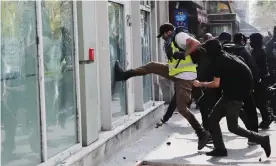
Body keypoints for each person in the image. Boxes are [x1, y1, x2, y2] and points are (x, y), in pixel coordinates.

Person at [115, 23, 210, 150]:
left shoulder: (179, 36)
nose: (163, 38)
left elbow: (196, 43)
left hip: (185, 76)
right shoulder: (171, 40)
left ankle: (202, 133)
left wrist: (184, 54)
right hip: (175, 72)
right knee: (152, 66)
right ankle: (124, 75)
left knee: (182, 108)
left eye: (163, 35)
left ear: (168, 32)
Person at [193, 39, 271, 157]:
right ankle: (220, 149)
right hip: (231, 92)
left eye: (206, 50)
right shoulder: (225, 55)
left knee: (233, 127)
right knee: (212, 119)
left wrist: (200, 84)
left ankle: (262, 140)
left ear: (210, 51)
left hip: (235, 95)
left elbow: (215, 84)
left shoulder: (218, 62)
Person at [223, 33, 260, 139]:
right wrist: (256, 81)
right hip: (244, 84)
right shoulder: (244, 51)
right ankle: (253, 135)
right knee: (251, 110)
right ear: (243, 40)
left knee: (235, 109)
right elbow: (253, 67)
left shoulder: (225, 50)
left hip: (229, 86)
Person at [250, 33, 275, 129]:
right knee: (258, 100)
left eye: (251, 41)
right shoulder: (255, 51)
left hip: (261, 79)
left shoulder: (260, 52)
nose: (250, 43)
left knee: (259, 100)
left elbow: (260, 68)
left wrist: (260, 80)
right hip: (258, 78)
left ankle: (268, 117)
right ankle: (267, 116)